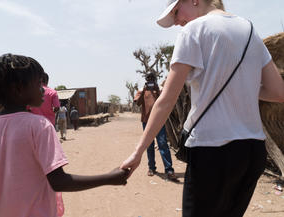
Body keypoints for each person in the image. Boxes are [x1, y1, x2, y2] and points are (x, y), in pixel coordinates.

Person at [121, 0, 284, 217]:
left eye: (177, 12)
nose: (178, 22)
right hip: (252, 152)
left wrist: (138, 152)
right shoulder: (250, 29)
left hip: (212, 151)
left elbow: (166, 100)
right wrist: (241, 86)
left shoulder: (194, 30)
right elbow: (277, 93)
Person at [0, 54, 129, 217]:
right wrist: (109, 178)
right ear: (18, 88)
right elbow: (59, 181)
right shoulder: (39, 126)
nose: (43, 89)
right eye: (38, 83)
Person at [134, 72, 177, 179]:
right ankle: (151, 168)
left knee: (162, 144)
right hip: (146, 121)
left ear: (155, 79)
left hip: (159, 120)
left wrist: (157, 90)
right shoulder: (141, 90)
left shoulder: (160, 89)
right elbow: (137, 103)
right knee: (149, 145)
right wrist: (144, 90)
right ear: (146, 80)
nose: (150, 80)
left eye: (152, 78)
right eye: (148, 78)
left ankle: (169, 169)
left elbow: (165, 100)